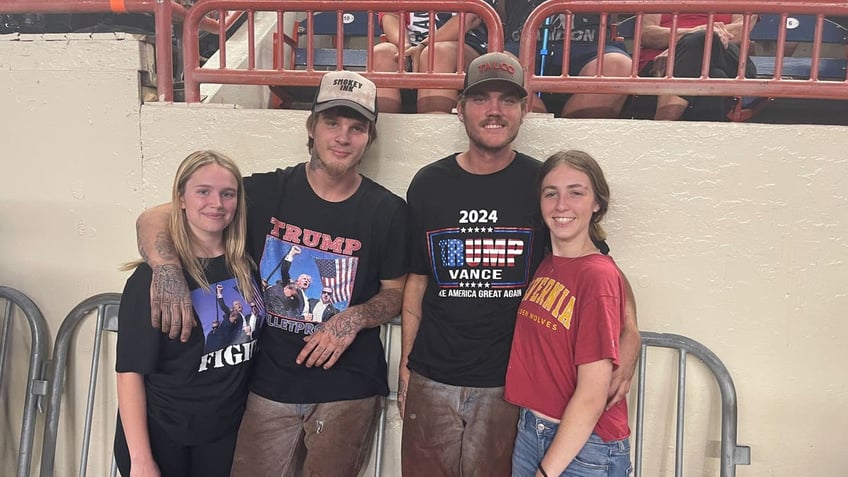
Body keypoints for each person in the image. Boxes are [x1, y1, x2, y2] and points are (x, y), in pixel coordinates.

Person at [134, 70, 408, 476]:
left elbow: (395, 292)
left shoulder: (387, 211)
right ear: (311, 127)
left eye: (357, 128)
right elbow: (154, 217)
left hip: (347, 386)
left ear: (369, 138)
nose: (343, 137)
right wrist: (167, 268)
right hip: (267, 383)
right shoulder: (266, 192)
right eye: (332, 123)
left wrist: (354, 318)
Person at [400, 51, 640, 477]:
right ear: (460, 110)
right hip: (432, 376)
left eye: (507, 100)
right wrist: (406, 364)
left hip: (507, 387)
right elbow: (417, 281)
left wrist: (631, 333)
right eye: (481, 99)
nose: (494, 110)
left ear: (525, 109)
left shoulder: (542, 186)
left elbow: (596, 261)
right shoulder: (428, 183)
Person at [114, 150, 261, 477]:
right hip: (163, 435)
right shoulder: (153, 279)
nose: (217, 203)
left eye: (227, 194)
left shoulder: (246, 265)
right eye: (203, 191)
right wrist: (140, 460)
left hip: (223, 433)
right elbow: (130, 372)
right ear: (180, 198)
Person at [505, 150, 631, 477]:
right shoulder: (548, 262)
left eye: (576, 192)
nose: (562, 205)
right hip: (534, 429)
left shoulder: (598, 275)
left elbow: (592, 395)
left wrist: (547, 472)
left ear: (597, 203)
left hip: (582, 446)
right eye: (551, 193)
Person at [501, 1, 632, 118]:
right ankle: (538, 129)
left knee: (617, 66)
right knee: (497, 63)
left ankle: (573, 140)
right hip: (522, 43)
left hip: (591, 46)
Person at [635, 13, 758, 120]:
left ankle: (661, 126)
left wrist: (695, 38)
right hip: (659, 63)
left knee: (702, 39)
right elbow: (646, 33)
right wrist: (692, 37)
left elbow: (741, 29)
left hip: (727, 57)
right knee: (715, 76)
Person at [373, 6, 493, 113]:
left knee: (435, 54)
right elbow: (391, 15)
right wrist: (405, 47)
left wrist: (424, 46)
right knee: (381, 53)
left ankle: (434, 133)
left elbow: (471, 17)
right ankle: (382, 134)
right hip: (411, 46)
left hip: (463, 45)